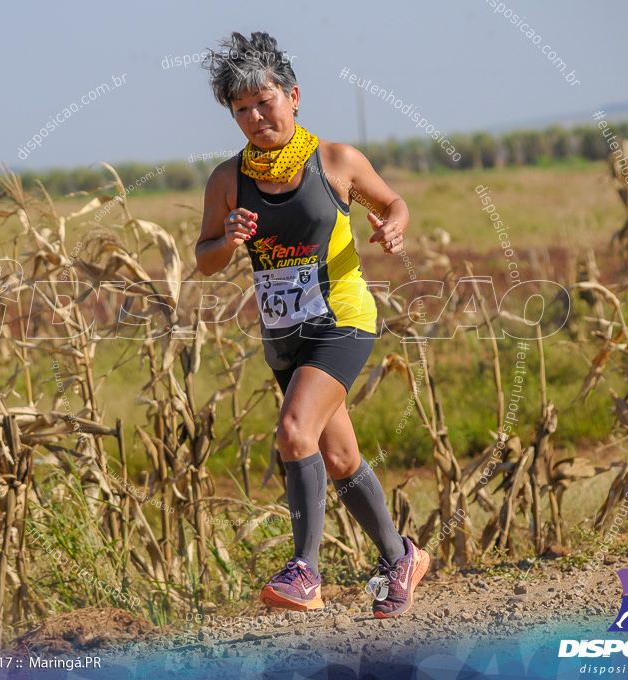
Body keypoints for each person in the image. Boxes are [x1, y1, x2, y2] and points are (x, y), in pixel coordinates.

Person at [195, 31, 429, 619]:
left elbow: (393, 203)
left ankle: (305, 571)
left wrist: (394, 227)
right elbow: (204, 259)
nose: (254, 116)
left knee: (294, 431)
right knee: (341, 458)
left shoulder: (337, 161)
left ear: (293, 96)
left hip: (342, 321)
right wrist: (226, 239)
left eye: (263, 101)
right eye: (240, 108)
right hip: (284, 336)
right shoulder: (228, 179)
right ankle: (401, 557)